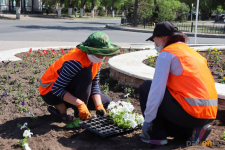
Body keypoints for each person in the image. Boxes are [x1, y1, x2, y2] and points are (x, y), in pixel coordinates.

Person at [139, 21, 218, 145]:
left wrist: (148, 121)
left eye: (155, 40)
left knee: (146, 87)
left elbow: (156, 90)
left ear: (162, 38)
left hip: (191, 112)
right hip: (208, 114)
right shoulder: (191, 52)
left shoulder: (167, 54)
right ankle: (193, 132)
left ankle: (157, 136)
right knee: (171, 96)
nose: (155, 45)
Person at [39, 32, 121, 123]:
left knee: (105, 101)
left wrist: (99, 106)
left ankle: (65, 105)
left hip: (67, 87)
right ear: (90, 50)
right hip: (50, 92)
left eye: (103, 53)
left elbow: (94, 83)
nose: (101, 56)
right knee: (86, 74)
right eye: (99, 53)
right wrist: (80, 104)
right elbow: (57, 88)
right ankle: (77, 115)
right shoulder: (75, 62)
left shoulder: (96, 59)